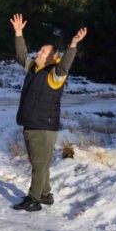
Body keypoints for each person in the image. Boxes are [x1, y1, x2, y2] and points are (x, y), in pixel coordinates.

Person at [9, 14, 87, 212]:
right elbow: (21, 56)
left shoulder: (55, 75)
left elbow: (64, 66)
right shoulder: (35, 68)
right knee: (40, 162)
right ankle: (45, 194)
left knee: (39, 164)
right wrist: (19, 33)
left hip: (42, 126)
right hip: (32, 123)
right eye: (40, 50)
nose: (38, 52)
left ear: (52, 56)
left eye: (43, 51)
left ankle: (33, 199)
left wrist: (73, 46)